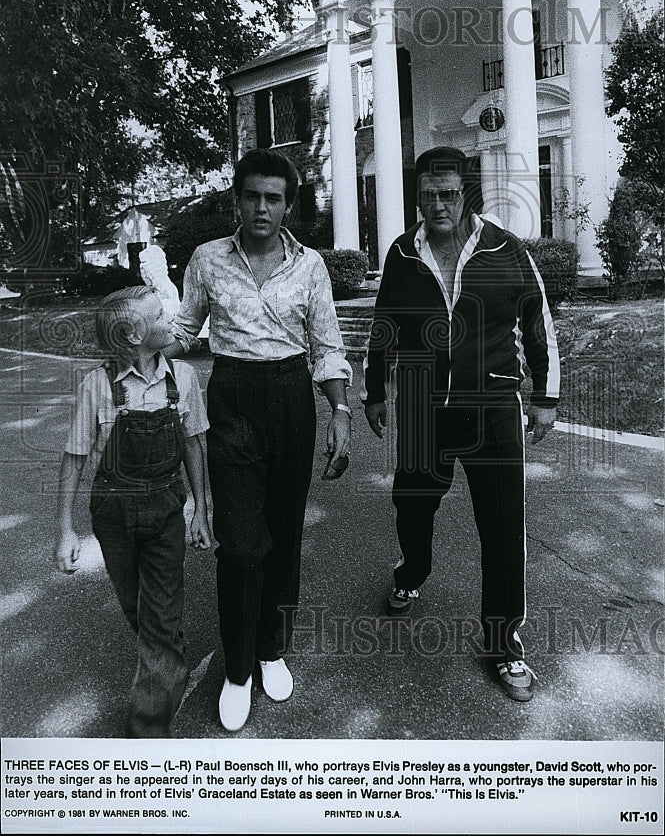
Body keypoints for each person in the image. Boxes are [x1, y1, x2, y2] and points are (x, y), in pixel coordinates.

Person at [363, 146, 559, 702]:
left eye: (448, 194)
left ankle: (504, 644)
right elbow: (383, 327)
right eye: (428, 195)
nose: (438, 205)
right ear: (417, 196)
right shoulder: (403, 253)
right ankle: (413, 572)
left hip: (492, 406)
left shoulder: (505, 248)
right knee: (413, 503)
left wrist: (544, 396)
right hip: (424, 405)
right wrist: (376, 392)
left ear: (467, 192)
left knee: (502, 527)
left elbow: (536, 320)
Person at [168, 148, 352, 732]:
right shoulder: (206, 259)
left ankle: (271, 647)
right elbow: (184, 328)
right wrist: (135, 346)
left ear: (288, 205)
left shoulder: (311, 265)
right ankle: (239, 668)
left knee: (283, 534)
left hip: (291, 397)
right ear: (237, 201)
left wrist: (339, 411)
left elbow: (326, 343)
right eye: (252, 197)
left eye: (274, 198)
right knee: (241, 543)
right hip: (233, 400)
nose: (262, 208)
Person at [54, 286, 212, 737]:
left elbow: (193, 444)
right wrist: (65, 529)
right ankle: (165, 652)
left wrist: (202, 509)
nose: (172, 318)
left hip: (165, 508)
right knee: (137, 609)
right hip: (113, 514)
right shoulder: (97, 385)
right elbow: (75, 455)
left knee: (159, 615)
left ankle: (146, 732)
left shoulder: (182, 379)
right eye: (161, 314)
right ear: (132, 337)